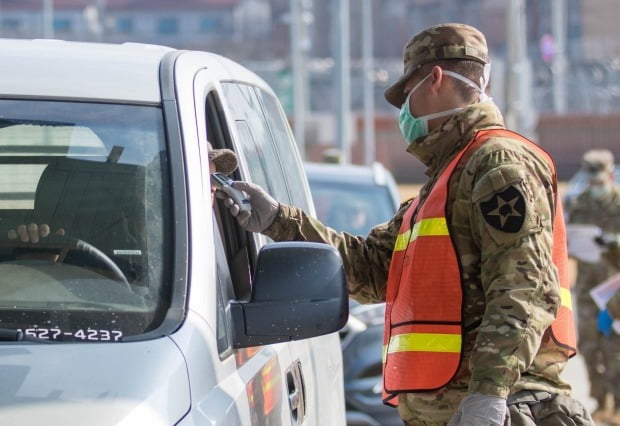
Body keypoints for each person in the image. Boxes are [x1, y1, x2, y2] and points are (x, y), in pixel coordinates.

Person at [220, 23, 592, 425]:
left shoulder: (498, 164)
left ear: (434, 79)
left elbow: (524, 288)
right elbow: (371, 268)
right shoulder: (447, 178)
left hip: (496, 409)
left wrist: (488, 396)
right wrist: (278, 219)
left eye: (406, 95)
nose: (403, 113)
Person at [567, 149, 620, 423]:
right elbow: (571, 244)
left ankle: (618, 404)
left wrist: (614, 244)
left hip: (615, 291)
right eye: (591, 181)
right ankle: (600, 400)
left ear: (610, 175)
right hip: (588, 289)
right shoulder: (579, 205)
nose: (595, 187)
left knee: (615, 347)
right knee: (589, 346)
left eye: (600, 181)